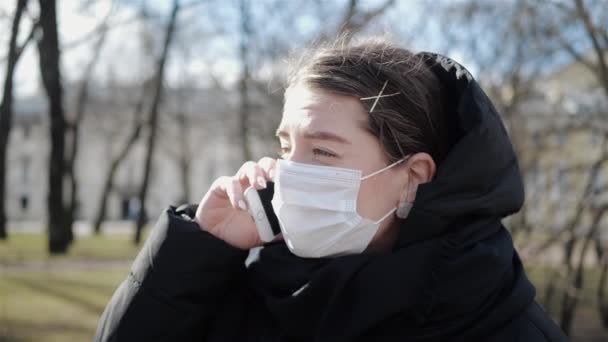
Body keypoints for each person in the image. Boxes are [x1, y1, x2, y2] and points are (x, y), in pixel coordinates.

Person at [95, 37, 568, 341]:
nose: (289, 173)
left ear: (413, 177)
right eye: (285, 147)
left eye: (322, 152)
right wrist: (199, 251)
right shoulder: (260, 283)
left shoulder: (496, 320)